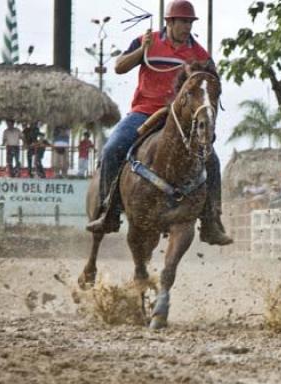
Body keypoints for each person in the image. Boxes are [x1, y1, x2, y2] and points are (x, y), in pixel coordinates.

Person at [87, 0, 232, 245]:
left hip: (181, 119)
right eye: (183, 22)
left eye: (189, 22)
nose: (187, 27)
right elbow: (119, 67)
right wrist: (141, 51)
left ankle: (211, 222)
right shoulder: (147, 41)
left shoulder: (200, 54)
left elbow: (213, 85)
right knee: (113, 149)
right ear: (170, 22)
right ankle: (107, 212)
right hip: (144, 112)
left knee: (213, 161)